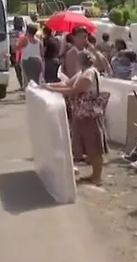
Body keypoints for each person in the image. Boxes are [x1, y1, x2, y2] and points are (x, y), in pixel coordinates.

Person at [45, 51, 107, 186]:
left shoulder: (89, 73)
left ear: (80, 61)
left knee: (94, 146)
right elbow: (67, 83)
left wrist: (51, 89)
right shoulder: (83, 72)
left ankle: (97, 176)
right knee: (88, 145)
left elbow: (73, 90)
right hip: (82, 114)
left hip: (90, 115)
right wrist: (49, 86)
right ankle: (94, 175)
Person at [10, 16, 26, 89]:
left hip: (23, 53)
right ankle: (22, 85)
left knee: (22, 70)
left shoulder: (25, 32)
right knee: (18, 70)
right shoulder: (11, 32)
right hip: (15, 54)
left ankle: (24, 85)